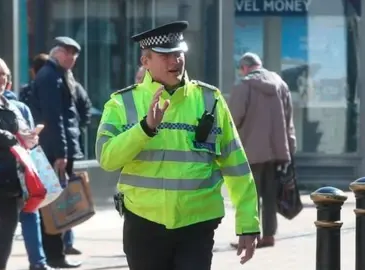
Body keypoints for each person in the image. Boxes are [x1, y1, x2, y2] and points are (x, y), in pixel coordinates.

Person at [95, 21, 260, 270]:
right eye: (165, 56)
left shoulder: (210, 100)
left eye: (179, 53)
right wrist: (144, 129)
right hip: (144, 224)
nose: (176, 61)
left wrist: (248, 223)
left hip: (197, 224)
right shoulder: (121, 104)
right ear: (145, 61)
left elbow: (236, 164)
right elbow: (106, 158)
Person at [0, 54, 39, 270]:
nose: (2, 79)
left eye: (5, 74)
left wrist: (29, 137)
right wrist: (15, 138)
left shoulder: (4, 100)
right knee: (7, 224)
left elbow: (17, 129)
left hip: (13, 172)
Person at [228, 52, 296, 248]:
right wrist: (290, 149)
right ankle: (269, 236)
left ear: (245, 68)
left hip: (250, 151)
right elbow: (289, 119)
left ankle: (249, 237)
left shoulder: (243, 86)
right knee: (270, 196)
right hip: (277, 152)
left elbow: (233, 119)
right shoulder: (281, 85)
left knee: (248, 196)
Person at [33, 37, 82, 268]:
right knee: (54, 205)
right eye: (68, 52)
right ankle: (54, 255)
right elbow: (54, 118)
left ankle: (57, 253)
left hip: (61, 148)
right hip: (55, 151)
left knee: (60, 205)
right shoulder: (50, 76)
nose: (72, 58)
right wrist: (62, 152)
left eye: (75, 54)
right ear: (57, 53)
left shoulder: (60, 75)